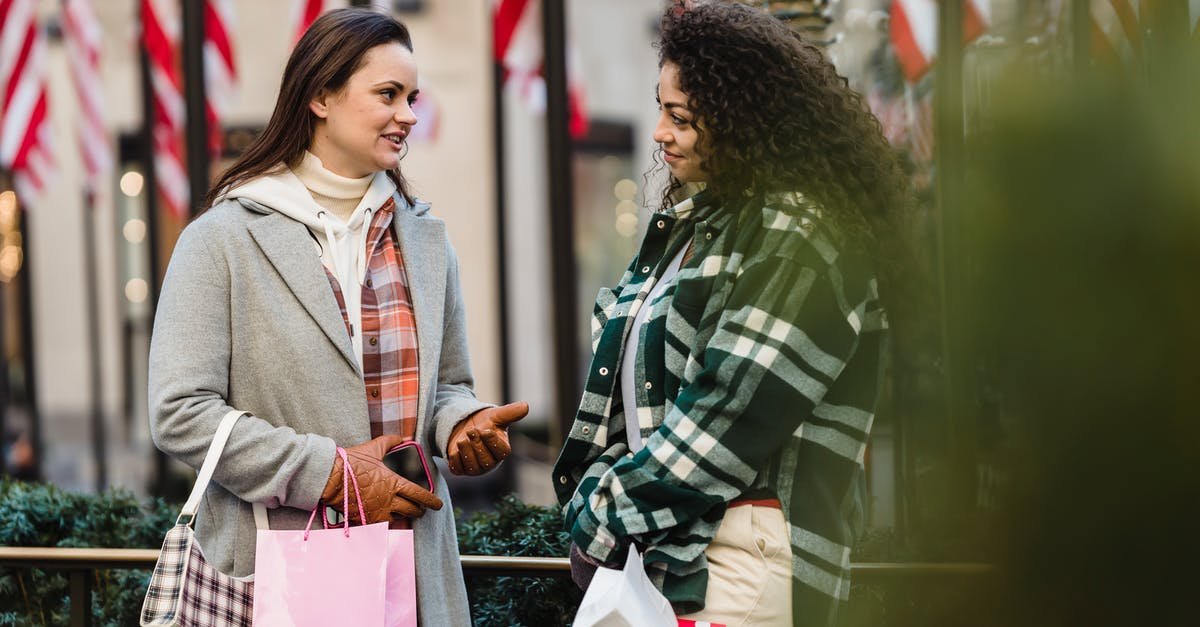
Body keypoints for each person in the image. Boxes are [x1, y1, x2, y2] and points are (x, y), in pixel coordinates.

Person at [147, 8, 526, 625]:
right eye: (388, 95)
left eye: (412, 97)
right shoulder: (220, 239)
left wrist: (460, 424)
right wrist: (328, 473)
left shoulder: (427, 239)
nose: (408, 114)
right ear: (321, 95)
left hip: (417, 571)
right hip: (277, 576)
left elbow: (447, 386)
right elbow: (179, 412)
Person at [553, 2, 911, 625]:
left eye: (680, 116)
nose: (660, 131)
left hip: (736, 556)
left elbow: (727, 415)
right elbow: (625, 402)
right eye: (660, 107)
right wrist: (603, 500)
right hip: (668, 552)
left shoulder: (801, 234)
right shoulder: (700, 227)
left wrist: (603, 515)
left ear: (742, 120)